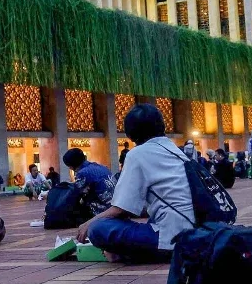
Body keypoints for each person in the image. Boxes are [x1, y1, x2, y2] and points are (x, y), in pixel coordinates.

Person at [77, 103, 196, 263]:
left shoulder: (137, 154)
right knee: (149, 220)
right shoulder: (176, 150)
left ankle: (129, 253)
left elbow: (121, 210)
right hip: (194, 232)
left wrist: (89, 224)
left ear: (131, 133)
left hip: (172, 239)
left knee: (99, 229)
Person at [62, 148, 115, 215]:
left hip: (104, 211)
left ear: (72, 166)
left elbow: (76, 192)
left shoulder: (83, 173)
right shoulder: (101, 167)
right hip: (115, 206)